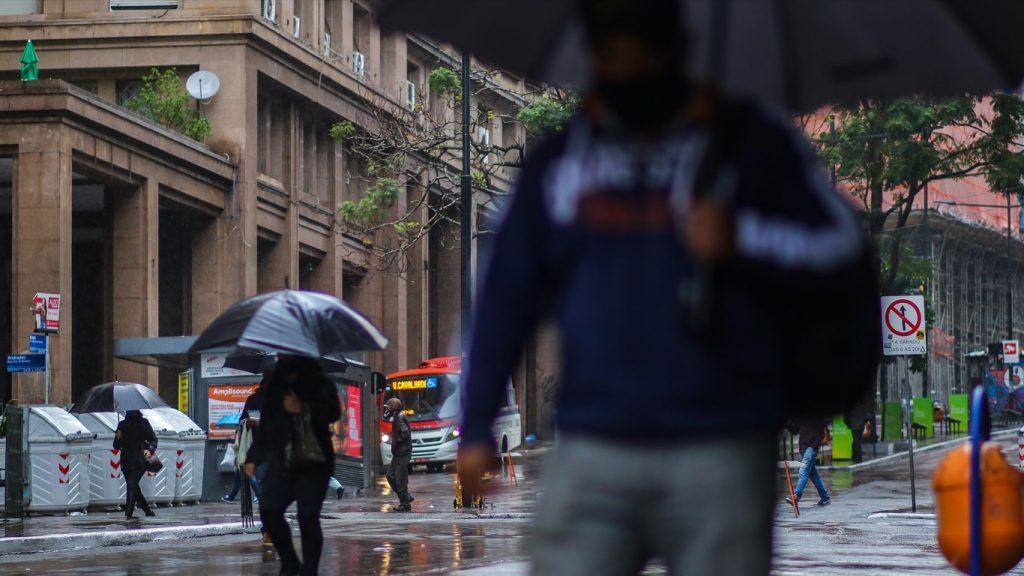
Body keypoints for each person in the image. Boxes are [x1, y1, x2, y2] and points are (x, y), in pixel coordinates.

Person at [457, 0, 876, 574]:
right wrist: (477, 422)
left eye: (640, 48)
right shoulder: (561, 165)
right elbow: (505, 294)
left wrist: (742, 238)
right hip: (593, 443)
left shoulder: (750, 145)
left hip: (722, 442)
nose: (625, 66)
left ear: (675, 48)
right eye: (609, 50)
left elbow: (842, 247)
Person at [244, 356, 341, 576]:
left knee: (307, 516)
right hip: (283, 461)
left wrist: (302, 407)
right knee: (269, 509)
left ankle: (309, 570)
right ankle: (290, 562)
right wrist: (252, 457)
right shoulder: (274, 379)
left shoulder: (318, 379)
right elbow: (268, 424)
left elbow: (333, 413)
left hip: (314, 461)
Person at [114, 410, 157, 519]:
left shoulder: (143, 423)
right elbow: (116, 446)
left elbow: (153, 439)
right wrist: (118, 437)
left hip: (140, 459)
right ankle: (147, 511)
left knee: (131, 485)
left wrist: (150, 450)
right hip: (126, 460)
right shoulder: (122, 424)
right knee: (134, 487)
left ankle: (128, 514)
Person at [786, 417, 831, 506]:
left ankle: (796, 495)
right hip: (803, 447)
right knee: (813, 474)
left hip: (811, 448)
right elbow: (795, 430)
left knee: (804, 471)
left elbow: (822, 433)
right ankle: (825, 497)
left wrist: (814, 445)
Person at [383, 397, 413, 512]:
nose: (387, 410)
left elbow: (405, 433)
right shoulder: (397, 417)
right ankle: (406, 497)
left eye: (388, 408)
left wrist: (396, 442)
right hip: (398, 454)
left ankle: (405, 504)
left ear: (393, 408)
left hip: (402, 454)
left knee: (401, 480)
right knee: (390, 475)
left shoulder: (399, 418)